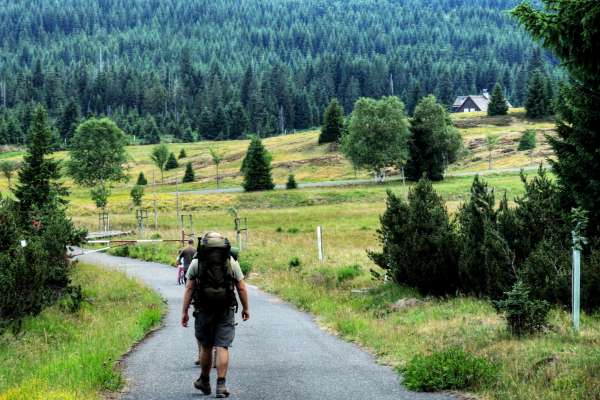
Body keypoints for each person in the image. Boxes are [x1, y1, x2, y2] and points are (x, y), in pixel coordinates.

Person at [181, 232, 250, 398]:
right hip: (225, 309)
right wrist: (245, 308)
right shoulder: (230, 261)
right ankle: (221, 385)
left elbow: (189, 288)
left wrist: (184, 312)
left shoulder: (197, 262)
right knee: (222, 346)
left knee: (206, 346)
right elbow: (241, 287)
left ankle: (204, 381)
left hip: (203, 309)